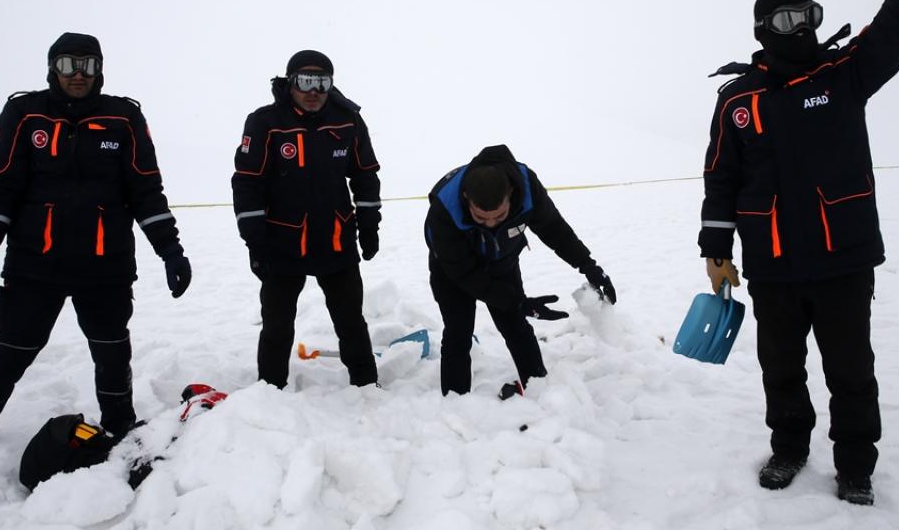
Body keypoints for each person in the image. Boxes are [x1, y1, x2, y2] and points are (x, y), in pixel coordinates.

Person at [697, 0, 899, 505]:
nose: (802, 28)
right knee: (781, 369)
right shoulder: (737, 101)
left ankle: (855, 466)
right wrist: (716, 250)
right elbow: (721, 178)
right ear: (763, 29)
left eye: (809, 15)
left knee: (851, 371)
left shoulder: (844, 74)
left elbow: (897, 26)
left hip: (841, 257)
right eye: (788, 18)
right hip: (771, 263)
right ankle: (789, 447)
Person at [0, 32, 192, 477]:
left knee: (111, 352)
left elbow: (146, 191)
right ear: (52, 68)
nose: (78, 74)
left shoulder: (123, 118)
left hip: (105, 265)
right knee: (8, 352)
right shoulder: (24, 114)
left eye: (87, 65)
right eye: (67, 64)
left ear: (100, 69)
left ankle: (120, 427)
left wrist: (171, 251)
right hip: (34, 265)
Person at [232, 50, 383, 389]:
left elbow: (365, 175)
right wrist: (255, 241)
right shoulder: (265, 122)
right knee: (277, 325)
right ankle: (270, 390)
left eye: (322, 82)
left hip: (336, 239)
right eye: (305, 81)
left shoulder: (348, 121)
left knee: (351, 321)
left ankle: (366, 386)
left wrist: (369, 226)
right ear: (290, 83)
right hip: (282, 244)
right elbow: (247, 182)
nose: (314, 91)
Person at [425, 144, 616, 399]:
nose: (491, 223)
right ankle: (456, 403)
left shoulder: (527, 188)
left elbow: (554, 229)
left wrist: (589, 267)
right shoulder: (444, 209)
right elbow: (465, 274)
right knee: (458, 332)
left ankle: (540, 390)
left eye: (500, 216)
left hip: (501, 259)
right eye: (480, 218)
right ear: (466, 198)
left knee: (516, 326)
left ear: (511, 194)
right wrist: (518, 302)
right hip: (452, 269)